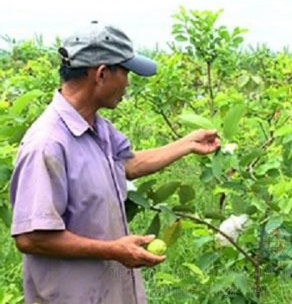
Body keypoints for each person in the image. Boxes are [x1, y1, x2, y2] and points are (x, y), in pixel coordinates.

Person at [9, 21, 220, 304]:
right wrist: (113, 250)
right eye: (126, 73)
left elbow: (127, 165)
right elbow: (31, 238)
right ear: (102, 74)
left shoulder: (97, 127)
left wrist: (187, 144)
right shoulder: (48, 144)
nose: (128, 84)